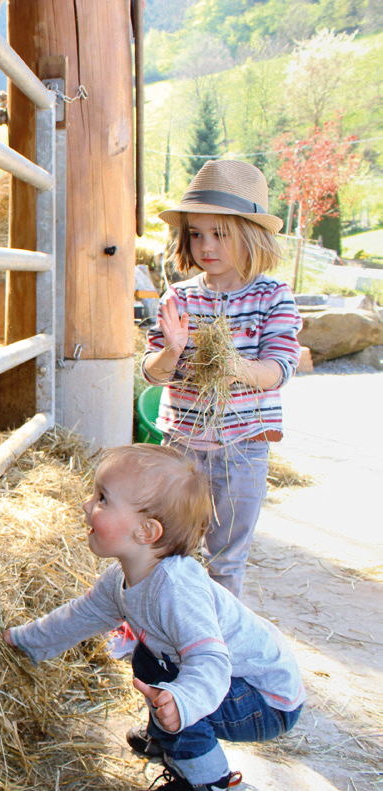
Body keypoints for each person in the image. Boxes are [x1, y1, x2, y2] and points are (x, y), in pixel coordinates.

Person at [3, 444, 305, 791]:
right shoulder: (123, 579)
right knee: (150, 659)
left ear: (146, 531)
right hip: (235, 682)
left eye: (101, 499)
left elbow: (210, 662)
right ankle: (170, 737)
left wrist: (182, 703)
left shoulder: (178, 591)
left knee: (173, 688)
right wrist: (24, 639)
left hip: (265, 698)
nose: (86, 506)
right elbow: (83, 615)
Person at [142, 159, 302, 596]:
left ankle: (215, 647)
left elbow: (281, 368)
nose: (206, 246)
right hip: (181, 446)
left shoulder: (272, 296)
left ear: (249, 235)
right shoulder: (181, 296)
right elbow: (152, 373)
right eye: (196, 234)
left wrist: (238, 368)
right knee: (166, 546)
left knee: (225, 556)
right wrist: (172, 350)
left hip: (243, 449)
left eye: (220, 234)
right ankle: (157, 632)